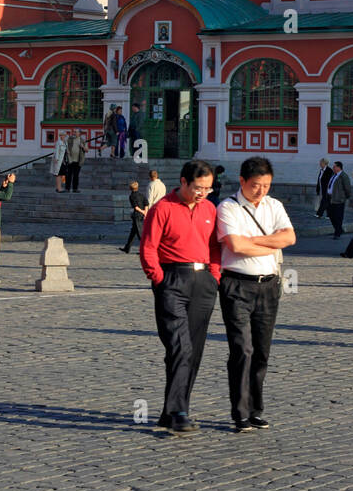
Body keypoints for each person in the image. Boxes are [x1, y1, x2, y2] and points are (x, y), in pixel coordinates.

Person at [138, 159, 222, 434]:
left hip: (203, 282)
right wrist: (159, 279)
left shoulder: (210, 208)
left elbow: (214, 246)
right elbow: (148, 246)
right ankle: (178, 411)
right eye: (199, 187)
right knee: (179, 347)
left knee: (193, 351)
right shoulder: (163, 208)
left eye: (208, 188)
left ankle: (171, 411)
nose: (203, 193)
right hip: (171, 279)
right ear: (184, 182)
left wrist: (214, 276)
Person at [216, 157, 296, 432]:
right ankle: (239, 412)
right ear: (242, 181)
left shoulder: (275, 206)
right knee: (242, 349)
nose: (261, 191)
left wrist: (253, 241)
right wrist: (269, 243)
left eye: (266, 185)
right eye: (255, 186)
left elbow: (289, 238)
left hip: (269, 286)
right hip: (236, 286)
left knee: (261, 351)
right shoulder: (228, 207)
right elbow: (236, 246)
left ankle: (255, 410)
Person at [324, 161, 353, 239]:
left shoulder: (343, 176)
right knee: (330, 215)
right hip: (330, 198)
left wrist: (344, 197)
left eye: (334, 167)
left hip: (339, 199)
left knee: (338, 217)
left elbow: (347, 188)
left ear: (338, 167)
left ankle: (337, 233)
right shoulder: (334, 175)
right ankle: (339, 229)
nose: (333, 168)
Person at [121, 181, 147, 253]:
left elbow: (136, 207)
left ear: (130, 188)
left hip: (137, 216)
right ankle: (127, 247)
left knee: (140, 234)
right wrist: (145, 212)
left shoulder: (132, 196)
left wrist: (142, 212)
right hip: (141, 215)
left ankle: (145, 250)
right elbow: (146, 203)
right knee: (133, 233)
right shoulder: (141, 195)